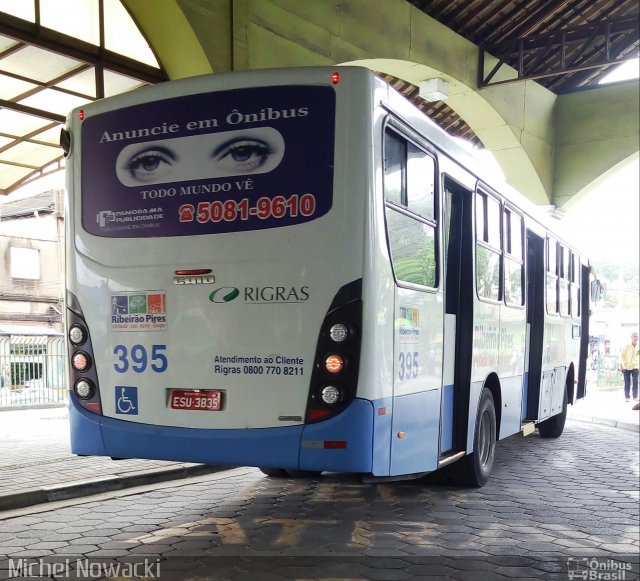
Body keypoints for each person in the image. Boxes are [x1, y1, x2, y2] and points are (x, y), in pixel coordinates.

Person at [619, 332, 639, 402]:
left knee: (635, 382)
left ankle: (635, 396)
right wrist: (621, 366)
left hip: (635, 366)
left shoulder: (638, 346)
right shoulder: (627, 346)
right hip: (626, 367)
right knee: (627, 383)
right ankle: (627, 396)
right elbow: (621, 356)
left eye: (637, 336)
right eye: (634, 336)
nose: (636, 338)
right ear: (631, 338)